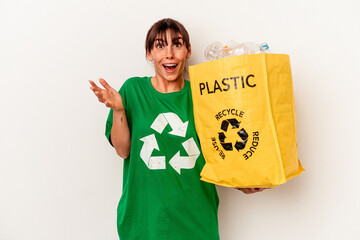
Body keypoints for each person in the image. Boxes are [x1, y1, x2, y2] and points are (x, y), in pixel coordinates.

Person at [90, 18, 264, 240]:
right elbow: (123, 151)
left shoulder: (204, 95)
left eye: (177, 44)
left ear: (188, 51)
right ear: (149, 54)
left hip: (196, 222)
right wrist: (119, 110)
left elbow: (221, 152)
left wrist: (245, 182)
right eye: (160, 46)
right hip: (143, 223)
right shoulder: (132, 90)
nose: (169, 53)